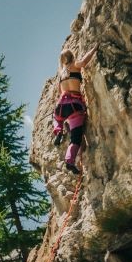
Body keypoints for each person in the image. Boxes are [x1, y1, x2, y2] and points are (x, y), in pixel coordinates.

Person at [53, 45, 97, 175]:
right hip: (75, 106)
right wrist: (94, 48)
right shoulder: (75, 65)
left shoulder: (61, 74)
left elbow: (59, 92)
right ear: (72, 56)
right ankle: (69, 161)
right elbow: (84, 61)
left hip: (61, 105)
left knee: (56, 118)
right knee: (75, 138)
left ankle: (58, 131)